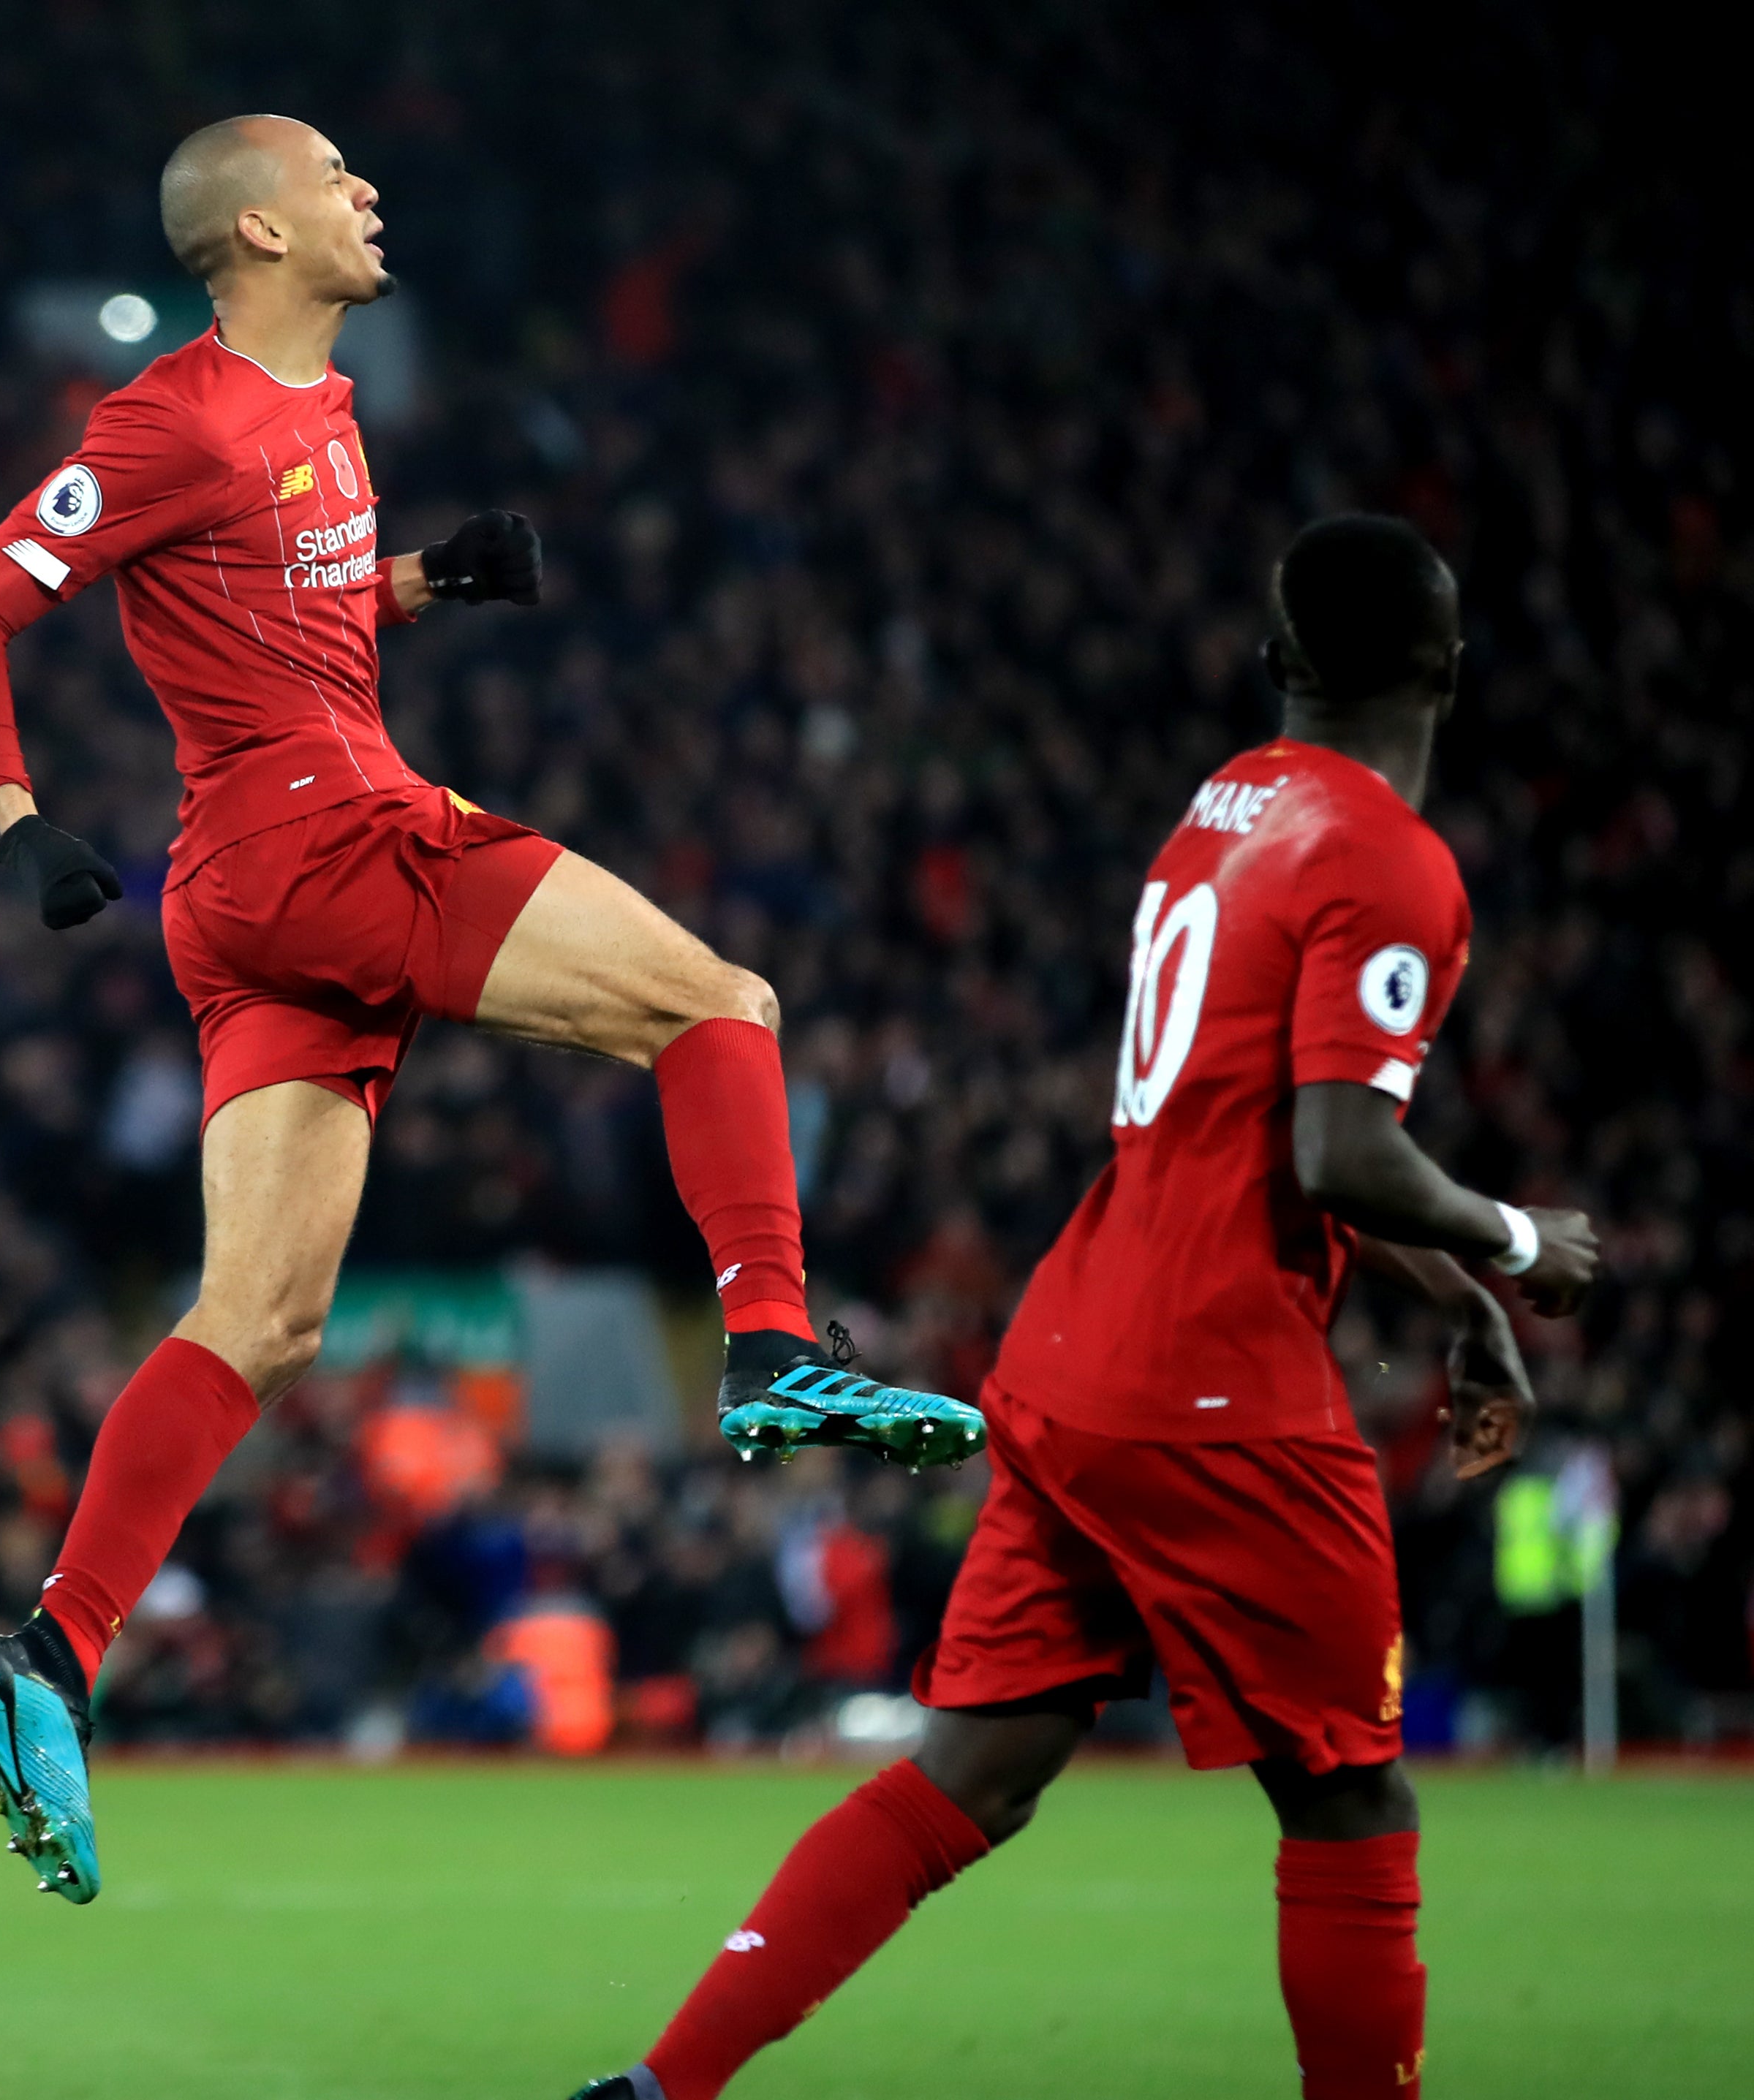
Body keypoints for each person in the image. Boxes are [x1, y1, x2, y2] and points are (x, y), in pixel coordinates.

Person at [0, 113, 984, 1903]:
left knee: (254, 1324)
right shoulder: (171, 416)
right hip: (321, 835)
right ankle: (775, 1345)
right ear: (256, 228)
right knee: (721, 1003)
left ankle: (52, 1654)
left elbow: (291, 620)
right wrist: (22, 826)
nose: (371, 195)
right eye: (338, 178)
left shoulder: (323, 417)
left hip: (250, 902)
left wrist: (426, 587)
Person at [565, 516, 1603, 2100]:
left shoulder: (1218, 815)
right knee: (1350, 1804)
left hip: (1070, 1358)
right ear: (1452, 672)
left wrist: (1453, 1295)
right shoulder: (1390, 858)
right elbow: (1339, 1151)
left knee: (966, 1781)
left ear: (1280, 661)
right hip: (1218, 1389)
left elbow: (1245, 1133)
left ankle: (656, 2092)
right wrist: (1523, 1242)